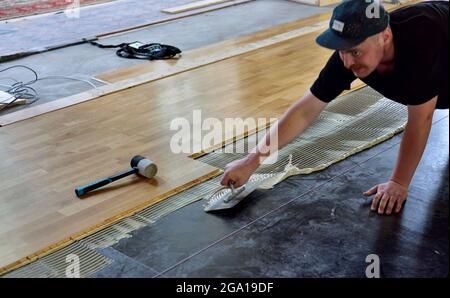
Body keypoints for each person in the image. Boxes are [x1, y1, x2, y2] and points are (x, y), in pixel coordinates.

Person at [220, 0, 449, 215]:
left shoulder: (422, 40)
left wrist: (399, 182)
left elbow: (421, 119)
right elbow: (305, 110)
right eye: (342, 50)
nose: (348, 62)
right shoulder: (350, 55)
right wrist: (251, 162)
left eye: (355, 52)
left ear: (385, 37)